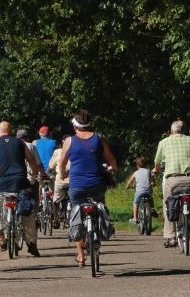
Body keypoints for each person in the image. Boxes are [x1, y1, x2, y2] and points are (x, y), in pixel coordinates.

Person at [59, 109, 118, 267]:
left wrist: (63, 174)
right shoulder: (99, 139)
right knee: (99, 206)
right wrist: (110, 169)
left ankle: (80, 254)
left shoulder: (69, 141)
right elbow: (112, 161)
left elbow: (62, 163)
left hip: (77, 186)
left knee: (76, 213)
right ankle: (98, 232)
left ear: (75, 126)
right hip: (97, 184)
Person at [0, 122, 41, 256]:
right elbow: (30, 160)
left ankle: (1, 238)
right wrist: (34, 173)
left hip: (1, 184)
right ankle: (31, 243)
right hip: (20, 182)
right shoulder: (20, 143)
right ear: (11, 131)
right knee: (28, 212)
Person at [153, 120, 190, 248]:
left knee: (167, 204)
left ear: (171, 131)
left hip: (172, 180)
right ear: (184, 130)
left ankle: (171, 237)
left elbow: (157, 163)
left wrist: (158, 170)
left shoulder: (164, 142)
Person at [48, 135, 70, 228]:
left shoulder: (58, 152)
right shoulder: (76, 151)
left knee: (55, 200)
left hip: (60, 180)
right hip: (74, 181)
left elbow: (50, 166)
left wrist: (48, 171)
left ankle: (56, 220)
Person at [125, 156, 155, 224]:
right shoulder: (149, 172)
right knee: (150, 198)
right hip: (148, 191)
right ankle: (152, 209)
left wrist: (127, 186)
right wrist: (152, 184)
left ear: (137, 165)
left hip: (139, 192)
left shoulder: (136, 173)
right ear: (146, 165)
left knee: (135, 203)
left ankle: (135, 218)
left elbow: (130, 182)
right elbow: (153, 182)